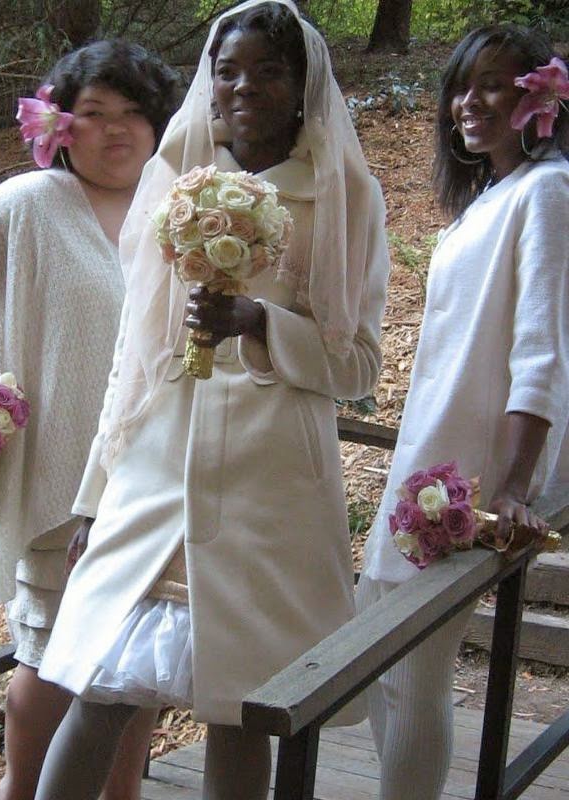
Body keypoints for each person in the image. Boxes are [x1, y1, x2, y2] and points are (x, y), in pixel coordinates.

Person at [32, 2, 390, 799]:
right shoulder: (177, 171)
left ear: (303, 84)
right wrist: (95, 495)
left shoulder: (345, 195)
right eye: (228, 71)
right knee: (98, 691)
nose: (244, 87)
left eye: (269, 70)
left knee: (241, 710)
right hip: (156, 473)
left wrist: (262, 323)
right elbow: (134, 351)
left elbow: (359, 365)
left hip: (271, 489)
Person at [358, 24, 569, 800]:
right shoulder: (489, 198)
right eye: (461, 87)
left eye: (493, 84)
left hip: (470, 480)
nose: (467, 103)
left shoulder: (548, 191)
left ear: (541, 96)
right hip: (426, 456)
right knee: (378, 659)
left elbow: (542, 350)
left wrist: (511, 488)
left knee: (416, 670)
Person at [0, 39, 180, 800]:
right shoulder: (23, 206)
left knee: (132, 669)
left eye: (133, 112)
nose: (116, 129)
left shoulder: (181, 209)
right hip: (61, 472)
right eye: (94, 112)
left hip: (157, 479)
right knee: (50, 661)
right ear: (60, 124)